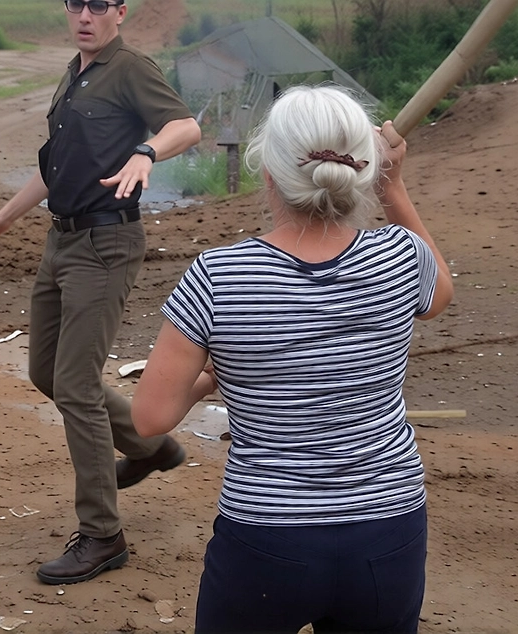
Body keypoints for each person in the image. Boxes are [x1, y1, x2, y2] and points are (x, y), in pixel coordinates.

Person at [131, 85, 455, 633]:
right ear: (363, 172)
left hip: (267, 540)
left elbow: (149, 420)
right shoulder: (402, 256)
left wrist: (213, 377)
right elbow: (440, 292)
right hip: (388, 530)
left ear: (269, 174)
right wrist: (393, 187)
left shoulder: (217, 276)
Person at [0, 0, 201, 585]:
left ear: (120, 11)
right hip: (61, 241)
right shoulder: (75, 74)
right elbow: (55, 167)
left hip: (105, 243)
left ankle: (102, 534)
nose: (85, 15)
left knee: (75, 383)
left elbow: (186, 126)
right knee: (46, 371)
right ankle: (153, 448)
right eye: (76, 4)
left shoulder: (130, 68)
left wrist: (146, 151)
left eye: (98, 4)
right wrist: (5, 217)